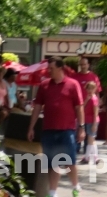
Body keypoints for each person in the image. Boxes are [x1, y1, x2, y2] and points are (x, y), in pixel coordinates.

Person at [27, 57, 85, 197]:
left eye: (51, 68)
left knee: (69, 161)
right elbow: (37, 107)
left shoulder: (72, 84)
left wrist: (81, 127)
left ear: (60, 68)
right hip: (49, 130)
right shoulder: (44, 85)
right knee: (53, 163)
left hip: (67, 130)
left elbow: (79, 107)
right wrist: (31, 127)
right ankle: (52, 192)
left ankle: (76, 186)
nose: (48, 71)